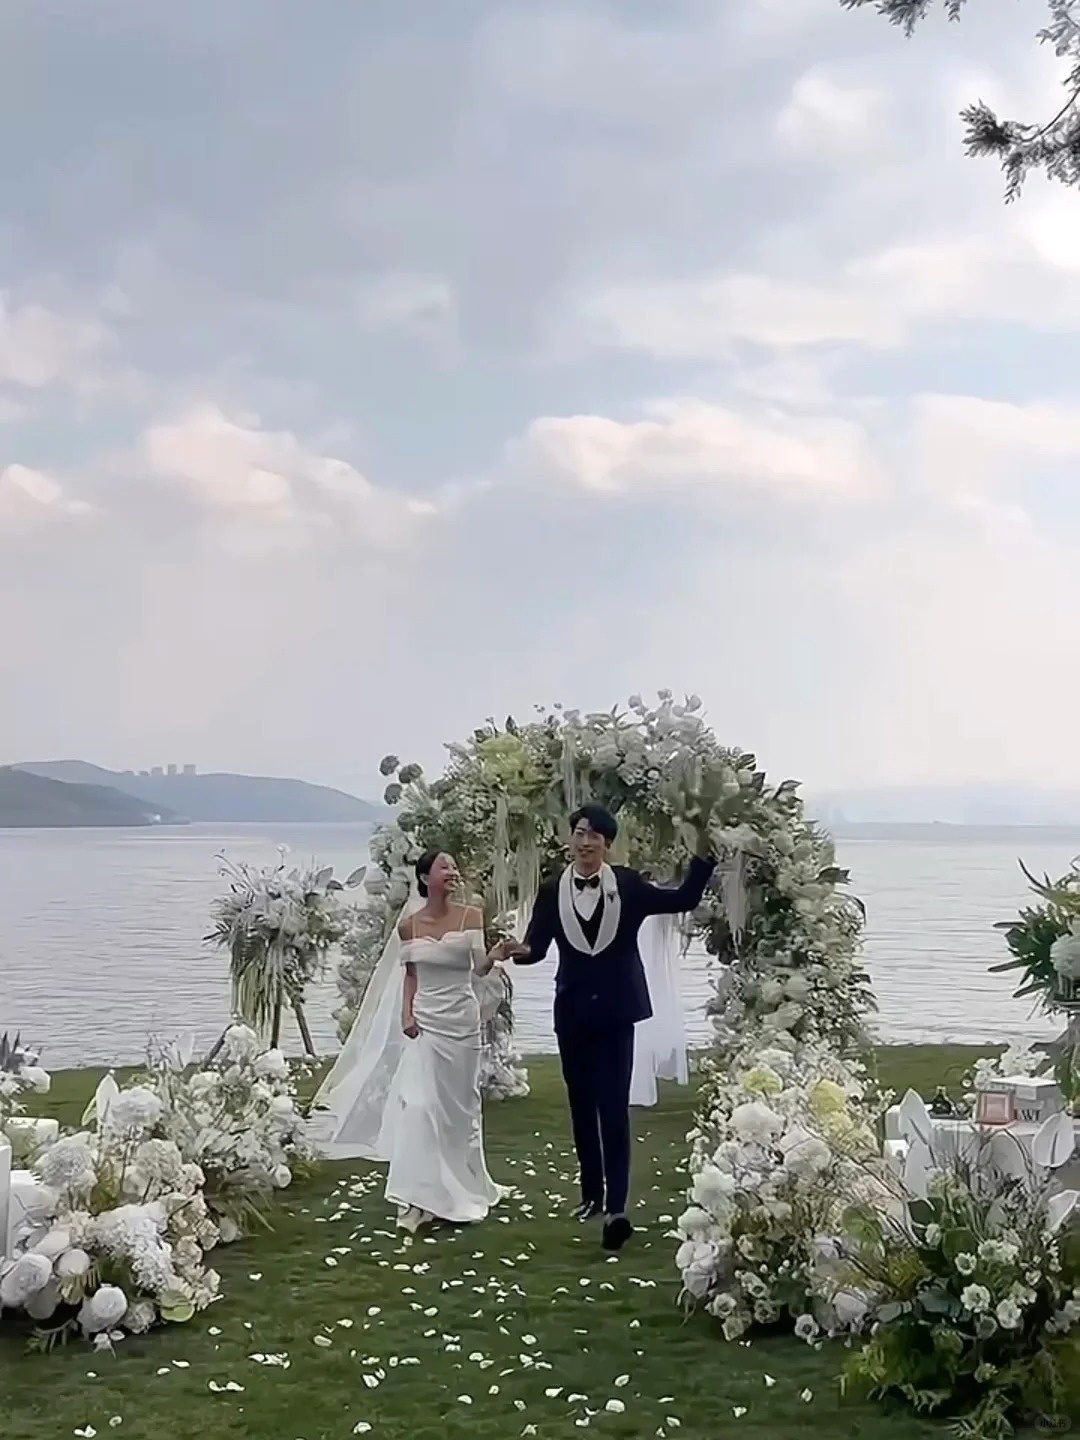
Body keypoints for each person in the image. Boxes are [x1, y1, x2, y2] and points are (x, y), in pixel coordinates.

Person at [498, 804, 715, 1252]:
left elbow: (682, 900)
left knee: (613, 1108)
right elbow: (537, 948)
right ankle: (591, 1196)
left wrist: (705, 856)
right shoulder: (553, 888)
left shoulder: (629, 885)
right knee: (581, 1107)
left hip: (617, 1010)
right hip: (572, 1011)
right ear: (570, 840)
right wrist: (516, 950)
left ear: (607, 845)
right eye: (579, 833)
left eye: (594, 835)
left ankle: (618, 1209)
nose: (585, 842)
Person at [309, 850, 505, 1234]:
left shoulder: (471, 916)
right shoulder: (409, 927)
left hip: (462, 1025)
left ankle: (460, 1183)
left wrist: (497, 955)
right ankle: (417, 1198)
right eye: (445, 866)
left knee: (460, 1111)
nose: (453, 872)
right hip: (426, 1024)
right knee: (418, 1104)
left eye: (454, 866)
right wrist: (407, 1014)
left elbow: (479, 967)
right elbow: (410, 975)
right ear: (425, 877)